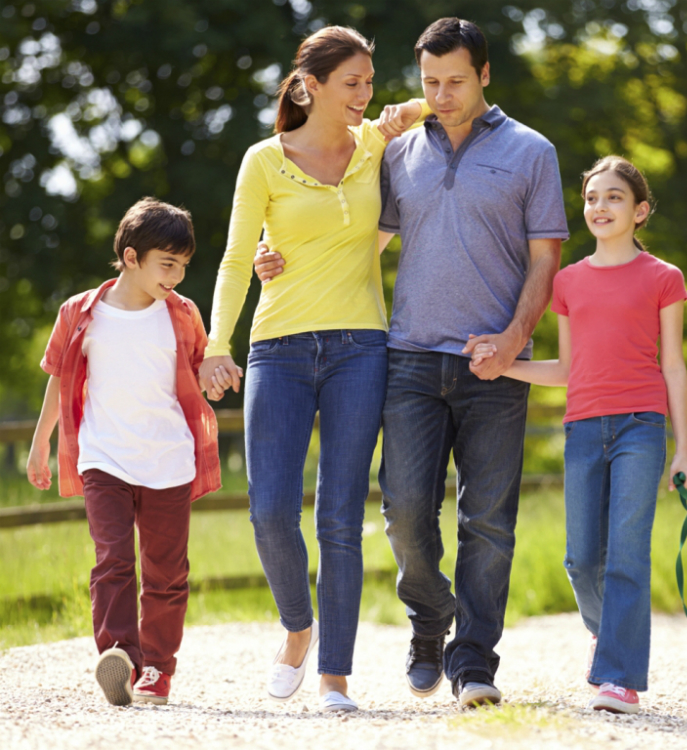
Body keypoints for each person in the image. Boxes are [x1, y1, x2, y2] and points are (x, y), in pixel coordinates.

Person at [253, 18, 569, 708]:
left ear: (485, 75)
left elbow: (547, 257)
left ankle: (474, 662)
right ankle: (430, 616)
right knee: (402, 513)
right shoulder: (396, 155)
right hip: (409, 358)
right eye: (430, 82)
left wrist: (515, 339)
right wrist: (274, 260)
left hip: (497, 365)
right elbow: (360, 241)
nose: (443, 94)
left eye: (456, 80)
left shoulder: (531, 152)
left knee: (488, 521)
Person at [198, 26, 427, 713]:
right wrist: (217, 342)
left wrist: (403, 112)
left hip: (362, 347)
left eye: (370, 80)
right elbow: (239, 259)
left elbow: (441, 100)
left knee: (338, 518)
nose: (366, 93)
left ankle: (335, 677)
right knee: (270, 511)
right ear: (311, 86)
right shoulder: (264, 160)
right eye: (352, 82)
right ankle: (298, 626)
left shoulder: (375, 145)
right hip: (279, 349)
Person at [472, 156, 687, 714]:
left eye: (614, 197)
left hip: (641, 429)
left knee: (626, 554)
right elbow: (565, 371)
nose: (600, 206)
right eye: (593, 197)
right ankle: (608, 635)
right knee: (580, 559)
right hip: (582, 428)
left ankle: (618, 678)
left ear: (640, 211)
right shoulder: (568, 282)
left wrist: (683, 449)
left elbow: (673, 366)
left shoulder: (664, 277)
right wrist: (505, 363)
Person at [26, 198, 221, 707]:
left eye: (183, 266)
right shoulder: (81, 313)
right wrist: (40, 444)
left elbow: (201, 369)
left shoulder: (182, 315)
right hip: (103, 457)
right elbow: (58, 380)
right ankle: (119, 655)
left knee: (166, 571)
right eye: (168, 264)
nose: (176, 276)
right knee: (112, 559)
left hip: (168, 460)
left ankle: (156, 668)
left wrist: (216, 375)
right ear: (132, 257)